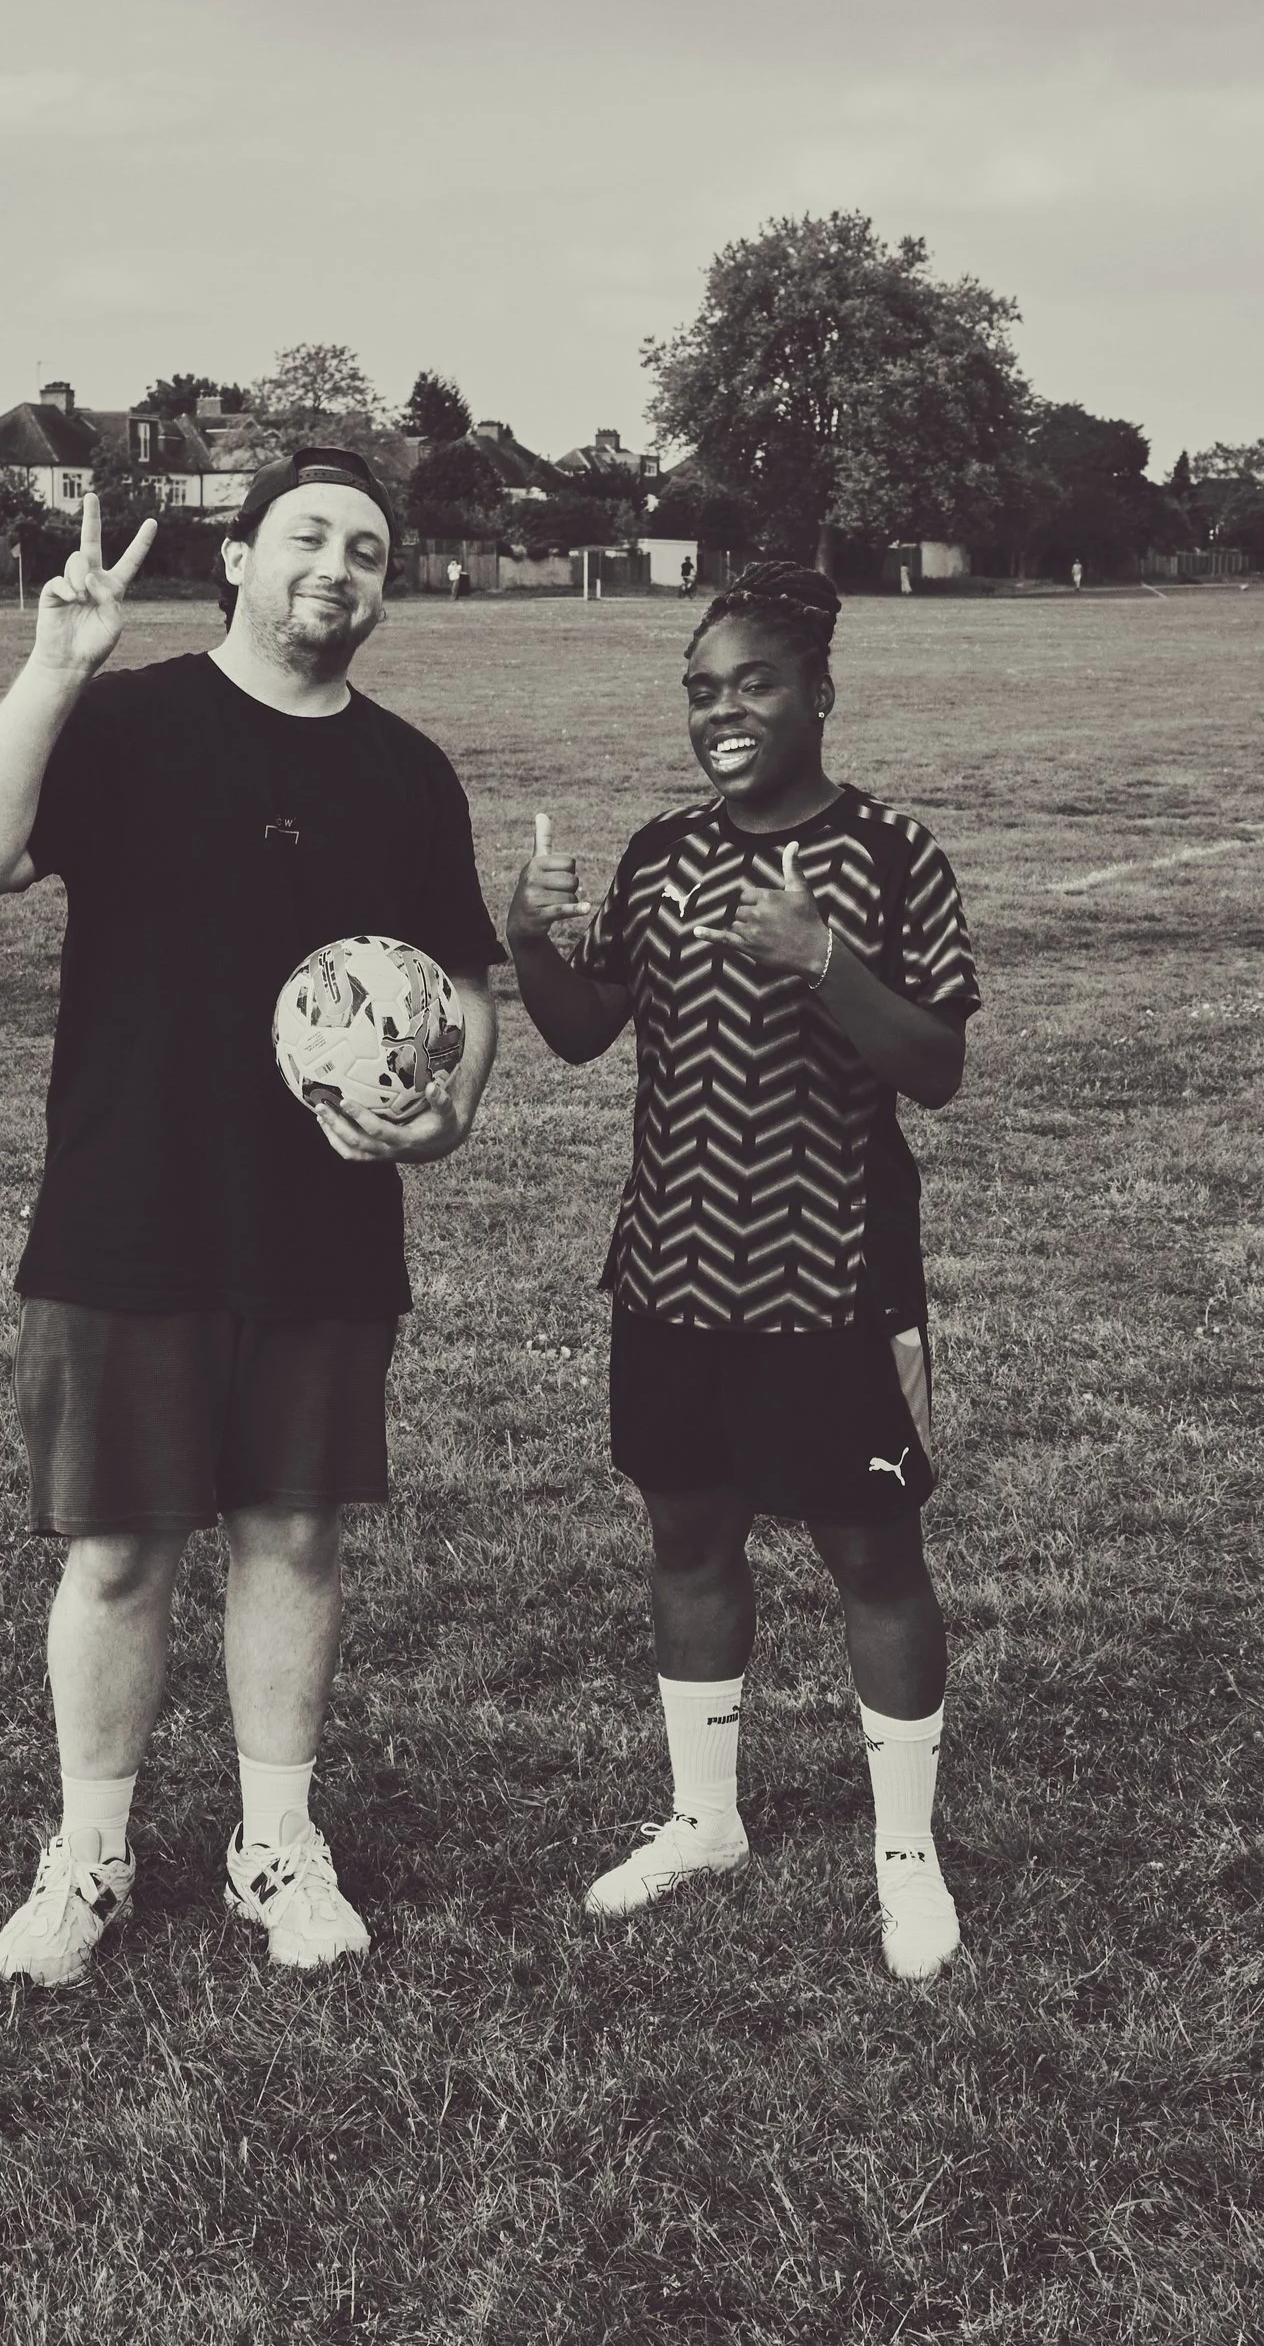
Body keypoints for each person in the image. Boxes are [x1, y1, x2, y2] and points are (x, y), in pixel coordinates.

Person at [0, 452, 503, 1984]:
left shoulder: (407, 773)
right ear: (237, 555)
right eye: (308, 535)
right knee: (119, 1548)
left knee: (293, 1534)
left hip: (321, 1221)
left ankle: (274, 1845)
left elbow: (462, 984)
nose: (339, 567)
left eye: (368, 550)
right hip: (128, 1202)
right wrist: (52, 671)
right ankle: (91, 1854)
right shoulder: (127, 724)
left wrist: (447, 1111)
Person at [505, 560, 980, 1980]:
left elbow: (938, 1066)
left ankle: (908, 1853)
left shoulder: (890, 852)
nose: (722, 710)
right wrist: (530, 936)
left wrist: (822, 955)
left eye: (752, 684)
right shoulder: (662, 850)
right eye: (701, 689)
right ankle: (704, 1816)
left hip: (832, 1277)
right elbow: (583, 1030)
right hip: (668, 1270)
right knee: (689, 1533)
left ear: (818, 695)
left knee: (870, 1555)